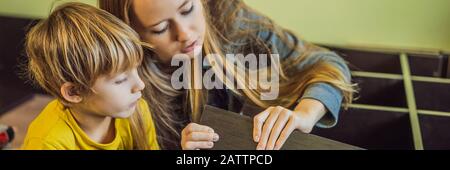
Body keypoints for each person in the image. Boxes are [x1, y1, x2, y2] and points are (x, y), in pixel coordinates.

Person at [100, 0, 356, 150]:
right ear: (132, 35)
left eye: (188, 8)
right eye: (160, 28)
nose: (186, 35)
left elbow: (326, 64)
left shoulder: (234, 23)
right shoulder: (125, 88)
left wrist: (304, 115)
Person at [21, 2, 159, 150]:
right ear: (74, 92)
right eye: (121, 80)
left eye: (136, 69)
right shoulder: (47, 142)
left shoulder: (137, 111)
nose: (140, 85)